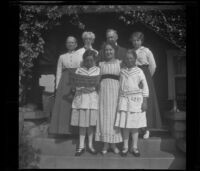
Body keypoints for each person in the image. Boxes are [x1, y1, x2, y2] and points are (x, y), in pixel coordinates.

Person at [115, 49, 149, 157]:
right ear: (124, 59)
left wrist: (145, 101)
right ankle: (125, 147)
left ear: (135, 59)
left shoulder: (139, 71)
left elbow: (145, 87)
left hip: (136, 101)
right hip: (124, 101)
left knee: (134, 126)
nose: (129, 60)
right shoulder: (122, 71)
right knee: (125, 126)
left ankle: (134, 147)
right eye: (127, 58)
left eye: (131, 58)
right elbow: (119, 87)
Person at [130, 32, 162, 139]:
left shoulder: (146, 51)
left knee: (146, 102)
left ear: (141, 41)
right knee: (135, 102)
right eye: (134, 40)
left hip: (145, 76)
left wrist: (147, 78)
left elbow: (153, 66)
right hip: (134, 76)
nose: (136, 42)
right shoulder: (131, 52)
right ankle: (137, 128)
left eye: (138, 40)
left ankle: (147, 129)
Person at [49, 36, 82, 135]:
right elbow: (58, 71)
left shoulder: (80, 56)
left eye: (72, 42)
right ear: (66, 44)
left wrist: (79, 84)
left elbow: (81, 70)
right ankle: (62, 130)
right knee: (63, 105)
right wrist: (58, 86)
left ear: (76, 44)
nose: (70, 44)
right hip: (64, 82)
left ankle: (75, 131)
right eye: (68, 42)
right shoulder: (62, 57)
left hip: (75, 80)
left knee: (75, 105)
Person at [70, 49, 100, 156]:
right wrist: (80, 87)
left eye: (91, 60)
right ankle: (81, 146)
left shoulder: (98, 70)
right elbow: (74, 85)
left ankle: (90, 145)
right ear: (84, 60)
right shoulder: (79, 70)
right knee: (82, 124)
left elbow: (99, 86)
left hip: (92, 99)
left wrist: (93, 87)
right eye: (87, 60)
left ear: (94, 60)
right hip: (81, 98)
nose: (89, 62)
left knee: (91, 124)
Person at [95, 42, 123, 155]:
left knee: (114, 118)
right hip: (103, 95)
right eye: (106, 50)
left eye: (110, 49)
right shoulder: (101, 64)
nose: (108, 52)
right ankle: (105, 144)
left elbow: (123, 79)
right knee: (104, 117)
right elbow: (97, 80)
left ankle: (114, 144)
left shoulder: (120, 63)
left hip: (116, 94)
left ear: (115, 50)